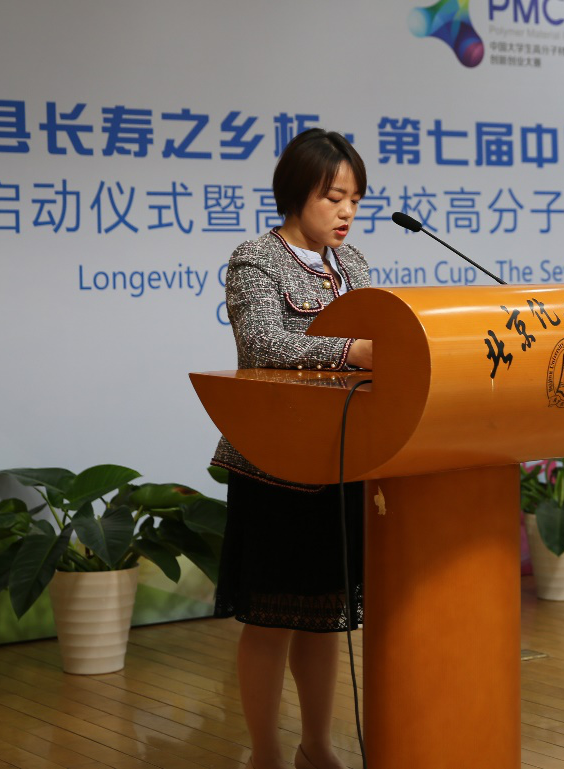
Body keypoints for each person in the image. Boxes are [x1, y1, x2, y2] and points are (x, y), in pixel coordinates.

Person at [210, 128, 373, 769]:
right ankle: (266, 755)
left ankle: (318, 748)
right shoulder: (255, 258)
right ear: (297, 193)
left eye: (354, 199)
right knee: (270, 618)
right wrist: (353, 351)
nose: (346, 212)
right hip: (272, 462)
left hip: (339, 458)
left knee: (325, 617)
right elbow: (262, 346)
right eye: (334, 197)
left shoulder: (354, 266)